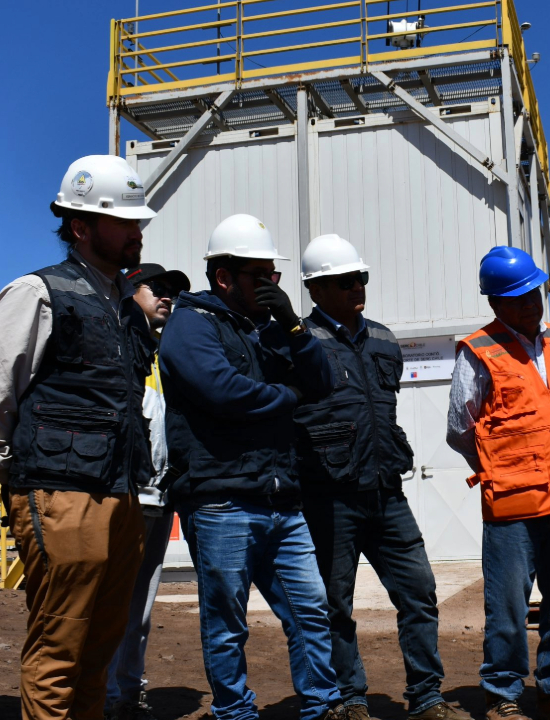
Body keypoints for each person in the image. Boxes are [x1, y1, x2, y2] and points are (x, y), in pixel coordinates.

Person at [0, 154, 158, 720]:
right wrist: (14, 474)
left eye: (138, 221)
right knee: (60, 647)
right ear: (80, 226)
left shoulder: (127, 309)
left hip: (120, 493)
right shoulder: (38, 291)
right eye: (124, 221)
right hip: (59, 494)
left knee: (99, 650)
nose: (137, 232)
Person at [158, 213, 345, 720]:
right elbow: (224, 392)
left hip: (280, 496)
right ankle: (236, 712)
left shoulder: (270, 329)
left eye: (274, 276)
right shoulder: (190, 324)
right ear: (224, 277)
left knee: (310, 610)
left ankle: (322, 706)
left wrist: (294, 325)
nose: (271, 285)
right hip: (220, 499)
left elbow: (323, 382)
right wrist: (289, 395)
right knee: (227, 622)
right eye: (260, 276)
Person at [295, 234, 469, 720]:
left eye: (361, 277)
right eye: (344, 281)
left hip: (387, 493)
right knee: (334, 605)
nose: (357, 286)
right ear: (315, 290)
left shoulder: (385, 339)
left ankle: (427, 697)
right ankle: (350, 699)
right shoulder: (300, 342)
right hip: (329, 498)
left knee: (420, 592)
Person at [446, 246, 550, 720]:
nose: (530, 304)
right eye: (517, 298)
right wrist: (503, 469)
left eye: (533, 293)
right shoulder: (479, 350)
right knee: (509, 609)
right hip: (514, 508)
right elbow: (459, 429)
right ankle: (502, 695)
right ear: (495, 303)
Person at [105, 263, 191, 720]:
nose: (166, 296)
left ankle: (128, 693)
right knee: (108, 603)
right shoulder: (113, 339)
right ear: (129, 289)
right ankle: (100, 696)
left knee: (139, 609)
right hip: (121, 494)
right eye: (156, 287)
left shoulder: (167, 351)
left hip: (159, 495)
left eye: (172, 291)